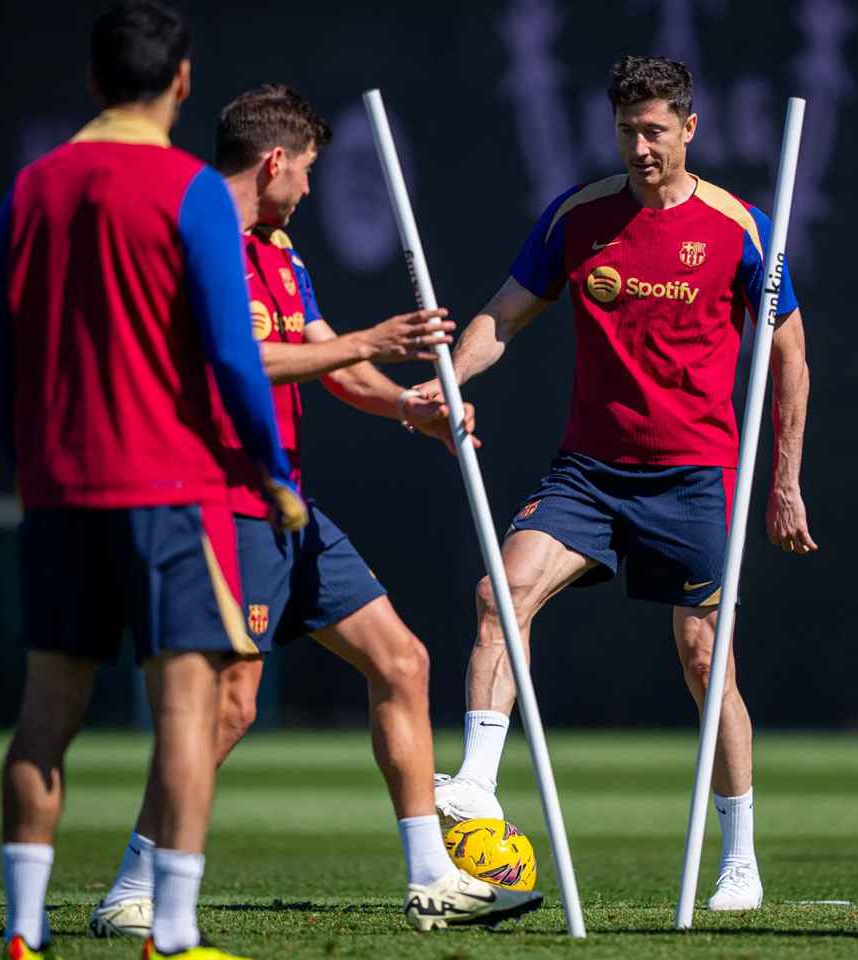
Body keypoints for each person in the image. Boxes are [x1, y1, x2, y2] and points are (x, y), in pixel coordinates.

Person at [85, 84, 542, 940]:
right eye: (307, 171)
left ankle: (430, 878)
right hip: (221, 500)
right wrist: (370, 340)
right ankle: (132, 886)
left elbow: (327, 364)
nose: (311, 189)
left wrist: (413, 409)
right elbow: (239, 360)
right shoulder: (200, 235)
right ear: (275, 161)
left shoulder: (281, 251)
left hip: (288, 505)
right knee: (229, 708)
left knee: (401, 661)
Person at [425, 54, 816, 912]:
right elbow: (502, 316)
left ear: (689, 128)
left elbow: (789, 357)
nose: (640, 147)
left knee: (706, 660)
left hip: (696, 475)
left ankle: (740, 858)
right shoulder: (579, 217)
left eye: (654, 131)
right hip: (591, 472)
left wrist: (783, 479)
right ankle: (480, 784)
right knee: (500, 596)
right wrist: (452, 379)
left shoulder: (740, 225)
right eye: (626, 131)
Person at [0, 4, 304, 958]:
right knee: (186, 718)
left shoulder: (33, 187)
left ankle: (23, 934)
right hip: (171, 493)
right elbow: (233, 355)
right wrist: (271, 471)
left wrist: (27, 460)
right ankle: (172, 934)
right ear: (183, 81)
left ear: (91, 81)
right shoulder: (190, 189)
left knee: (44, 719)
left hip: (60, 494)